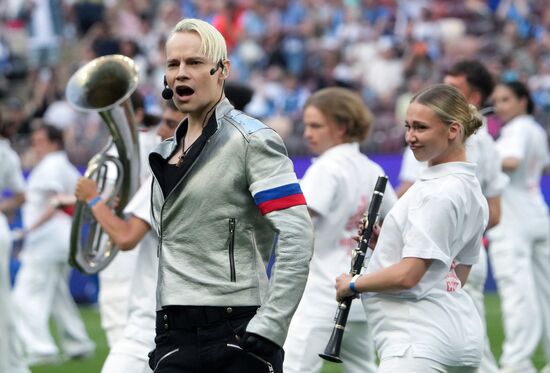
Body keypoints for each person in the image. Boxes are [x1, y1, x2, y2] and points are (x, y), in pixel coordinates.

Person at [147, 18, 313, 373]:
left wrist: (272, 325)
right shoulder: (164, 150)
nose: (180, 74)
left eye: (193, 63)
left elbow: (297, 233)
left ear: (222, 69)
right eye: (173, 64)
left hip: (237, 330)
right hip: (173, 334)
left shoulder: (253, 140)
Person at [336, 84, 489, 372]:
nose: (410, 137)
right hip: (456, 337)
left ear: (453, 130)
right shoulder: (468, 188)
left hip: (418, 340)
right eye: (408, 126)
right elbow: (456, 274)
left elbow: (409, 276)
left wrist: (353, 284)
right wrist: (388, 246)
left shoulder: (439, 192)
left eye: (420, 128)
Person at [396, 59, 507, 373]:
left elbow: (405, 192)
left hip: (442, 259)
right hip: (455, 256)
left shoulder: (438, 136)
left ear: (473, 98)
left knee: (466, 353)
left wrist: (446, 234)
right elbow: (493, 213)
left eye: (454, 89)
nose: (442, 93)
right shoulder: (479, 139)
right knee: (462, 348)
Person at [283, 87, 397, 373]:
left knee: (293, 367)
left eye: (316, 125)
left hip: (321, 292)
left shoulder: (326, 167)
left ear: (342, 127)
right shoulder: (374, 169)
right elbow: (395, 221)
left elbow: (298, 216)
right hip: (360, 292)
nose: (308, 133)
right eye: (306, 125)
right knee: (363, 368)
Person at [74, 101, 186, 373]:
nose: (159, 132)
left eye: (170, 125)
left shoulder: (166, 174)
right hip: (185, 318)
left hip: (152, 318)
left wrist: (94, 199)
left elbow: (125, 237)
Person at [11, 124, 95, 365]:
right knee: (58, 294)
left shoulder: (50, 166)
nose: (35, 146)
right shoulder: (62, 165)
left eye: (40, 141)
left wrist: (28, 229)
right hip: (62, 238)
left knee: (25, 296)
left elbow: (55, 202)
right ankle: (78, 343)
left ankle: (40, 349)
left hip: (47, 238)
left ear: (54, 142)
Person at [488, 80, 550, 373]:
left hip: (513, 220)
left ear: (523, 100)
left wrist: (481, 157)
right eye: (497, 100)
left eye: (506, 99)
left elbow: (511, 161)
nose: (499, 106)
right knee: (546, 292)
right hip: (537, 211)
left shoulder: (516, 130)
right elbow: (544, 166)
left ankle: (516, 362)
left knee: (517, 294)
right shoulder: (535, 130)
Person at [96, 91, 161, 349]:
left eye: (117, 112)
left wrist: (92, 201)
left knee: (120, 323)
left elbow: (112, 199)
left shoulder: (146, 143)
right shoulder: (151, 144)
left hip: (126, 241)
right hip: (130, 240)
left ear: (138, 115)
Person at [0, 110, 29, 373]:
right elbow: (20, 195)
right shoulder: (7, 153)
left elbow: (21, 195)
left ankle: (11, 364)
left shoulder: (6, 153)